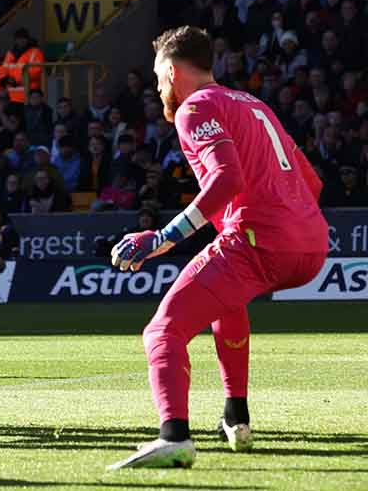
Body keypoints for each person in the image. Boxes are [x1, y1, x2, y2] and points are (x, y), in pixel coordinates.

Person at [106, 26, 327, 470]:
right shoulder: (253, 103)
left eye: (156, 78)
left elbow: (227, 181)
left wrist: (162, 239)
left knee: (162, 332)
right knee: (228, 300)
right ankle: (236, 415)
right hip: (311, 244)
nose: (157, 88)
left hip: (259, 243)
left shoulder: (195, 107)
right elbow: (313, 182)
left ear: (171, 71)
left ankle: (174, 436)